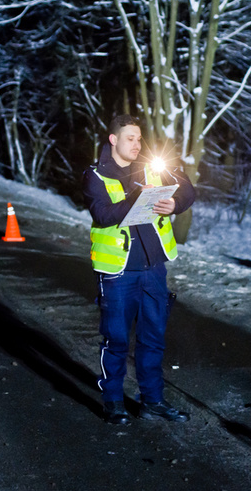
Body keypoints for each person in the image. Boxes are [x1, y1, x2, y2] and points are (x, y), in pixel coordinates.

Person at [82, 114, 195, 425]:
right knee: (116, 340)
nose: (137, 144)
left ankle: (152, 401)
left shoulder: (152, 166)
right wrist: (137, 197)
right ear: (114, 139)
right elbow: (103, 215)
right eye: (130, 138)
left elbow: (187, 189)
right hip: (118, 272)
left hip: (153, 269)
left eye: (139, 138)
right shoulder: (95, 175)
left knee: (153, 338)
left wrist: (176, 204)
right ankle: (113, 401)